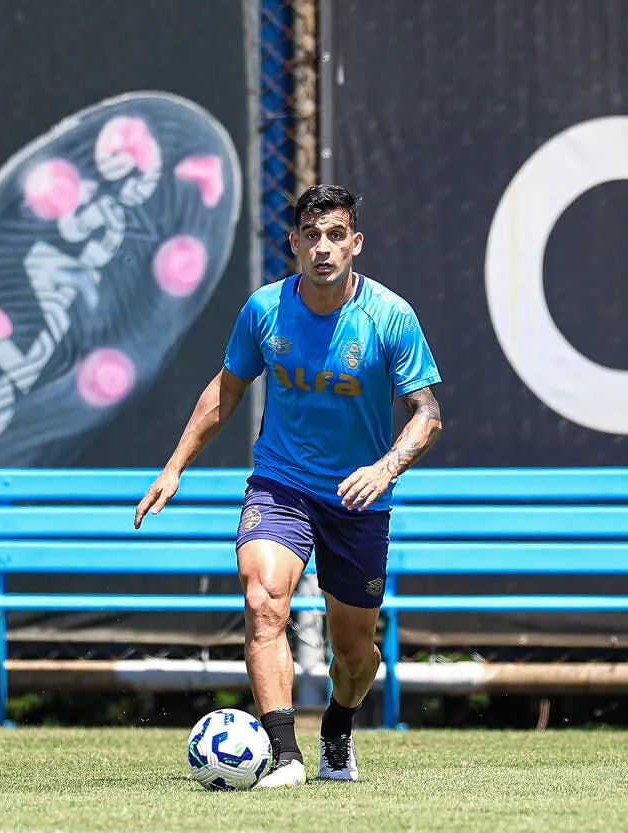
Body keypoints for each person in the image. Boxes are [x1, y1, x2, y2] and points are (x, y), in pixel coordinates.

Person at [134, 184, 443, 788]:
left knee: (355, 656)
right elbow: (226, 392)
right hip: (281, 484)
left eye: (336, 237)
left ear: (355, 244)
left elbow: (427, 414)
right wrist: (174, 467)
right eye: (312, 237)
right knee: (263, 600)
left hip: (359, 499)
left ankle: (336, 731)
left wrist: (384, 468)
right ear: (294, 243)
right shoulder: (264, 310)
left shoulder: (389, 316)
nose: (323, 249)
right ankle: (286, 756)